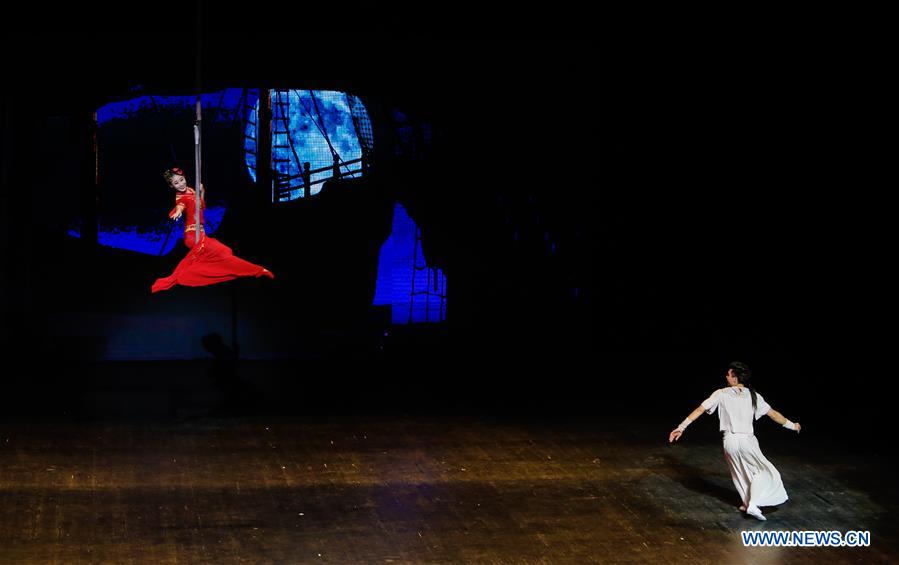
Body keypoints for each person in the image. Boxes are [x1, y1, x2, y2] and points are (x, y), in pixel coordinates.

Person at [668, 361, 801, 521]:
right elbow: (773, 414)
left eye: (729, 374)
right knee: (764, 471)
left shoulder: (721, 393)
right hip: (747, 441)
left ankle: (748, 504)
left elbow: (700, 409)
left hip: (729, 442)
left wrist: (681, 427)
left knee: (740, 474)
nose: (726, 376)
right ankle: (752, 504)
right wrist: (792, 426)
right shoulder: (753, 395)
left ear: (736, 378)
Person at [151, 167, 274, 293]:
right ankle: (258, 271)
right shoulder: (180, 197)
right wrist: (177, 212)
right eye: (176, 183)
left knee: (224, 251)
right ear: (172, 186)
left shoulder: (190, 191)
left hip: (202, 234)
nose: (181, 184)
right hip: (193, 236)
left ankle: (247, 271)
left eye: (181, 180)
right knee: (220, 259)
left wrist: (202, 192)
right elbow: (180, 206)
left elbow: (201, 207)